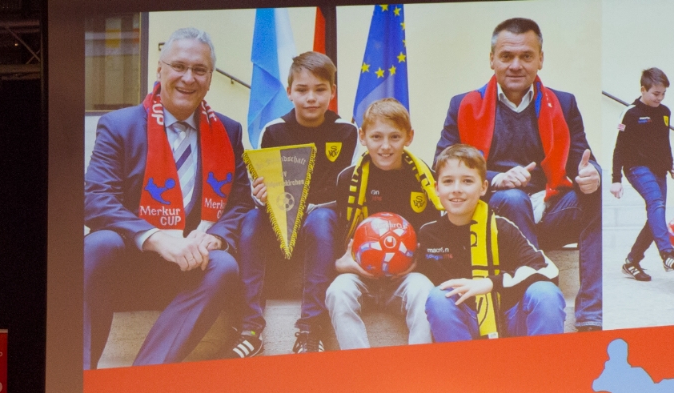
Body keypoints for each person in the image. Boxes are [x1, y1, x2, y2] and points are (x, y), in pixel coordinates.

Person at [84, 27, 252, 368]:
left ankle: (144, 379)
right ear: (159, 70)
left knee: (224, 265)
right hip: (128, 265)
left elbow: (242, 202)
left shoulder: (228, 131)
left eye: (199, 70)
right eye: (178, 66)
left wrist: (215, 239)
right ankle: (81, 378)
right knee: (98, 244)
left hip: (187, 269)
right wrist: (155, 237)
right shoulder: (120, 125)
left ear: (209, 78)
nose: (188, 78)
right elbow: (96, 197)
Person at [436, 17, 602, 331]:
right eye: (506, 56)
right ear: (492, 60)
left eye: (526, 56)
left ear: (540, 59)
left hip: (551, 208)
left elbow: (582, 159)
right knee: (512, 198)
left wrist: (591, 175)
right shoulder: (464, 105)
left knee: (599, 193)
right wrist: (494, 178)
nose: (516, 65)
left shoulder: (563, 103)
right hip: (496, 218)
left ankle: (592, 313)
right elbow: (441, 163)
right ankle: (527, 296)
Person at [229, 51, 359, 357]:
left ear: (332, 92)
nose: (311, 98)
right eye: (301, 90)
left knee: (322, 219)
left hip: (322, 222)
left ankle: (310, 329)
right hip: (280, 221)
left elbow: (344, 192)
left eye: (320, 89)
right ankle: (250, 329)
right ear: (289, 92)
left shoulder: (346, 132)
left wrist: (311, 209)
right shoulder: (274, 131)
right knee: (249, 221)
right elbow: (265, 185)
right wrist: (261, 196)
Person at [324, 98, 442, 349]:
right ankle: (361, 370)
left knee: (426, 292)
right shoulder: (348, 179)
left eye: (395, 137)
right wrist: (341, 263)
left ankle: (420, 370)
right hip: (360, 274)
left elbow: (435, 237)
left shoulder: (425, 179)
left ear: (409, 137)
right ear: (363, 136)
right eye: (376, 137)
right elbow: (338, 234)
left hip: (406, 277)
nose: (385, 146)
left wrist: (418, 262)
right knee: (337, 293)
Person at [420, 144, 565, 340]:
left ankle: (543, 367)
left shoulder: (501, 227)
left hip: (510, 316)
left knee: (546, 292)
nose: (456, 189)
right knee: (439, 297)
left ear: (483, 187)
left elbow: (548, 270)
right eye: (448, 181)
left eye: (467, 181)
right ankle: (465, 368)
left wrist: (490, 283)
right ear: (437, 188)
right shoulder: (428, 234)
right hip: (466, 320)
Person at [610, 67, 674, 280]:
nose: (660, 98)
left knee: (656, 215)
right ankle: (668, 255)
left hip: (659, 170)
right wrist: (616, 179)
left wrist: (671, 164)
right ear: (643, 89)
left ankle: (632, 261)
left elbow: (664, 141)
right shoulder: (631, 113)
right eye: (655, 93)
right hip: (636, 168)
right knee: (656, 202)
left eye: (663, 93)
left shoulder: (665, 112)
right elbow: (619, 148)